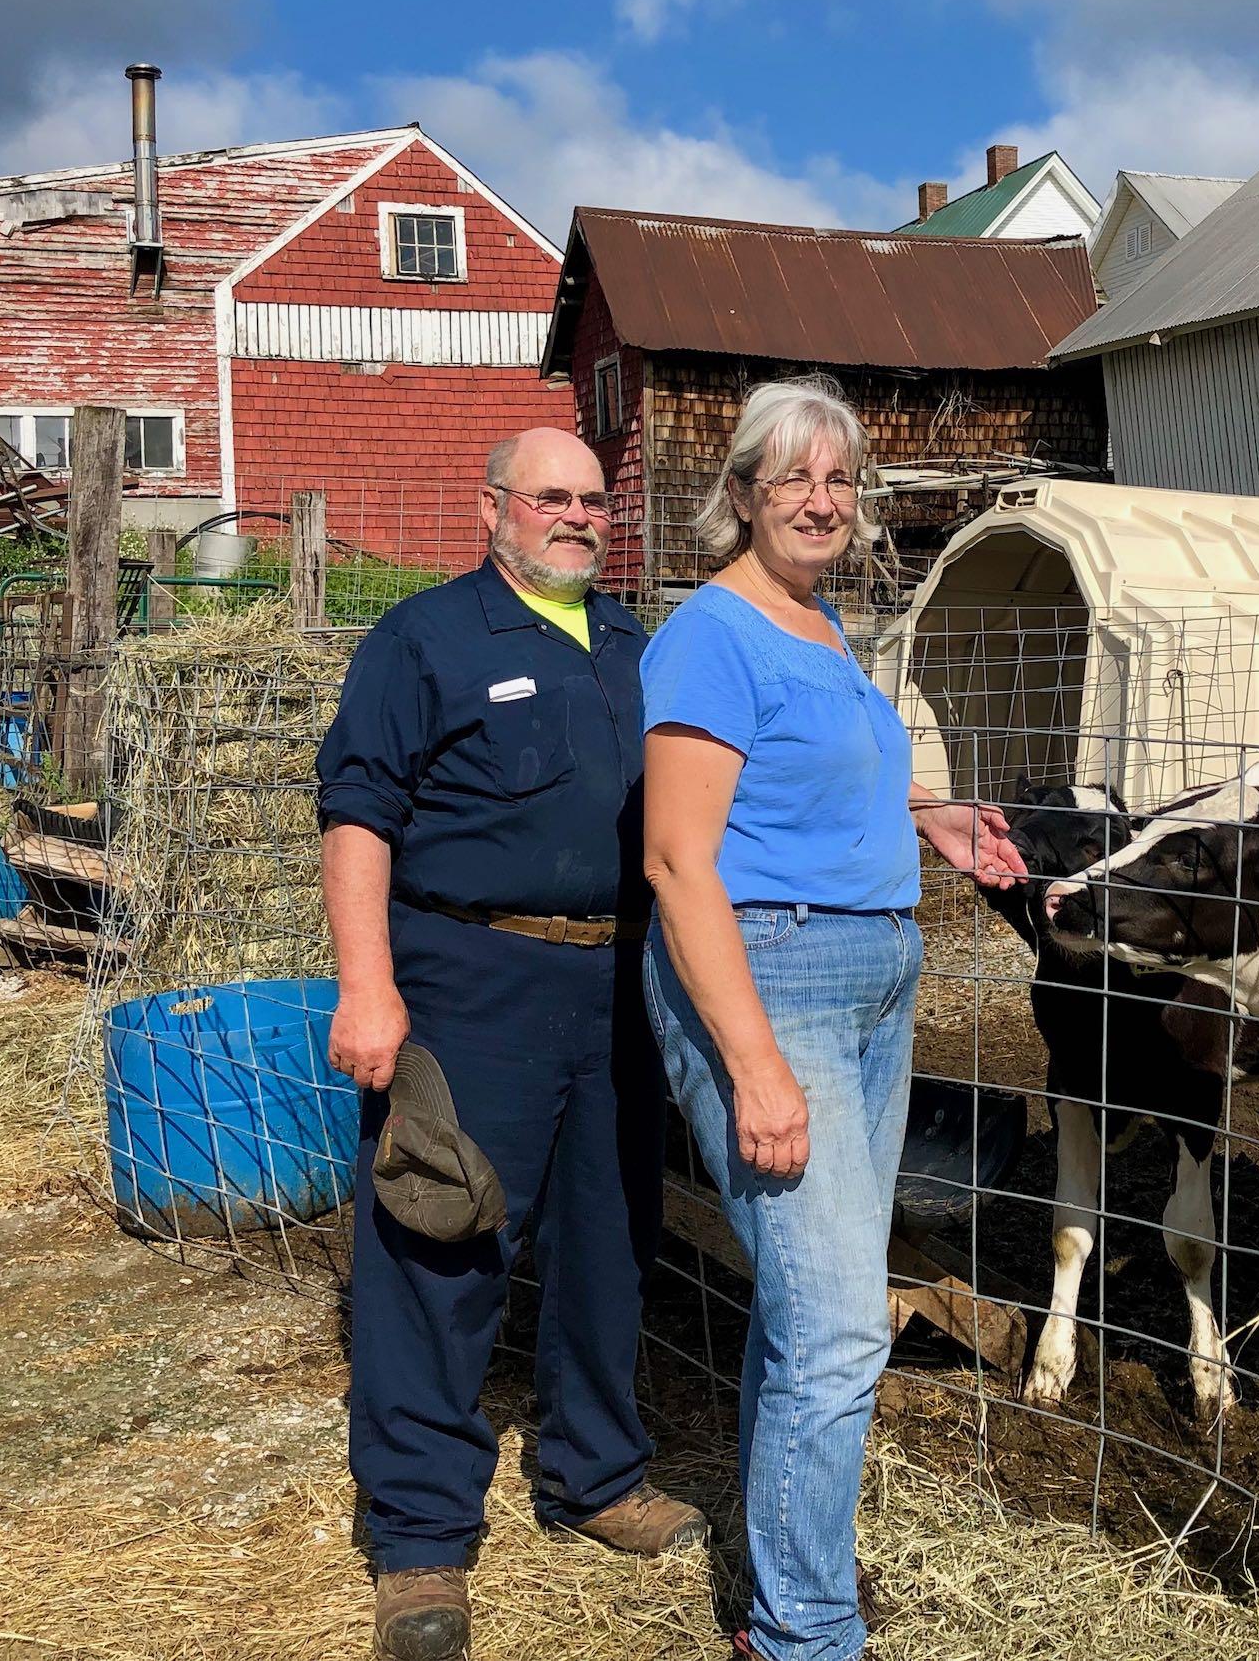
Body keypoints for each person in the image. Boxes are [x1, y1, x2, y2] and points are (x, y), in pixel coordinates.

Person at [640, 376, 1025, 1661]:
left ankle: (782, 1583)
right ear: (740, 493)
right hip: (770, 979)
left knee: (815, 1309)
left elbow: (809, 784)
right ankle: (802, 1632)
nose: (820, 498)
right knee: (844, 1321)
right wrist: (751, 1065)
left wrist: (931, 817)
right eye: (792, 476)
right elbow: (681, 863)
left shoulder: (821, 628)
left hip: (872, 977)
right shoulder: (711, 633)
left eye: (839, 479)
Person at [317, 427, 706, 1661]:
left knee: (610, 1236)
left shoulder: (644, 648)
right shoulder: (424, 638)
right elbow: (358, 811)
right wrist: (366, 984)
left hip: (620, 980)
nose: (577, 516)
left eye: (594, 499)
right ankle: (421, 1538)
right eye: (552, 496)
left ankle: (594, 1473)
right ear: (493, 507)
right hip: (468, 974)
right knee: (440, 1233)